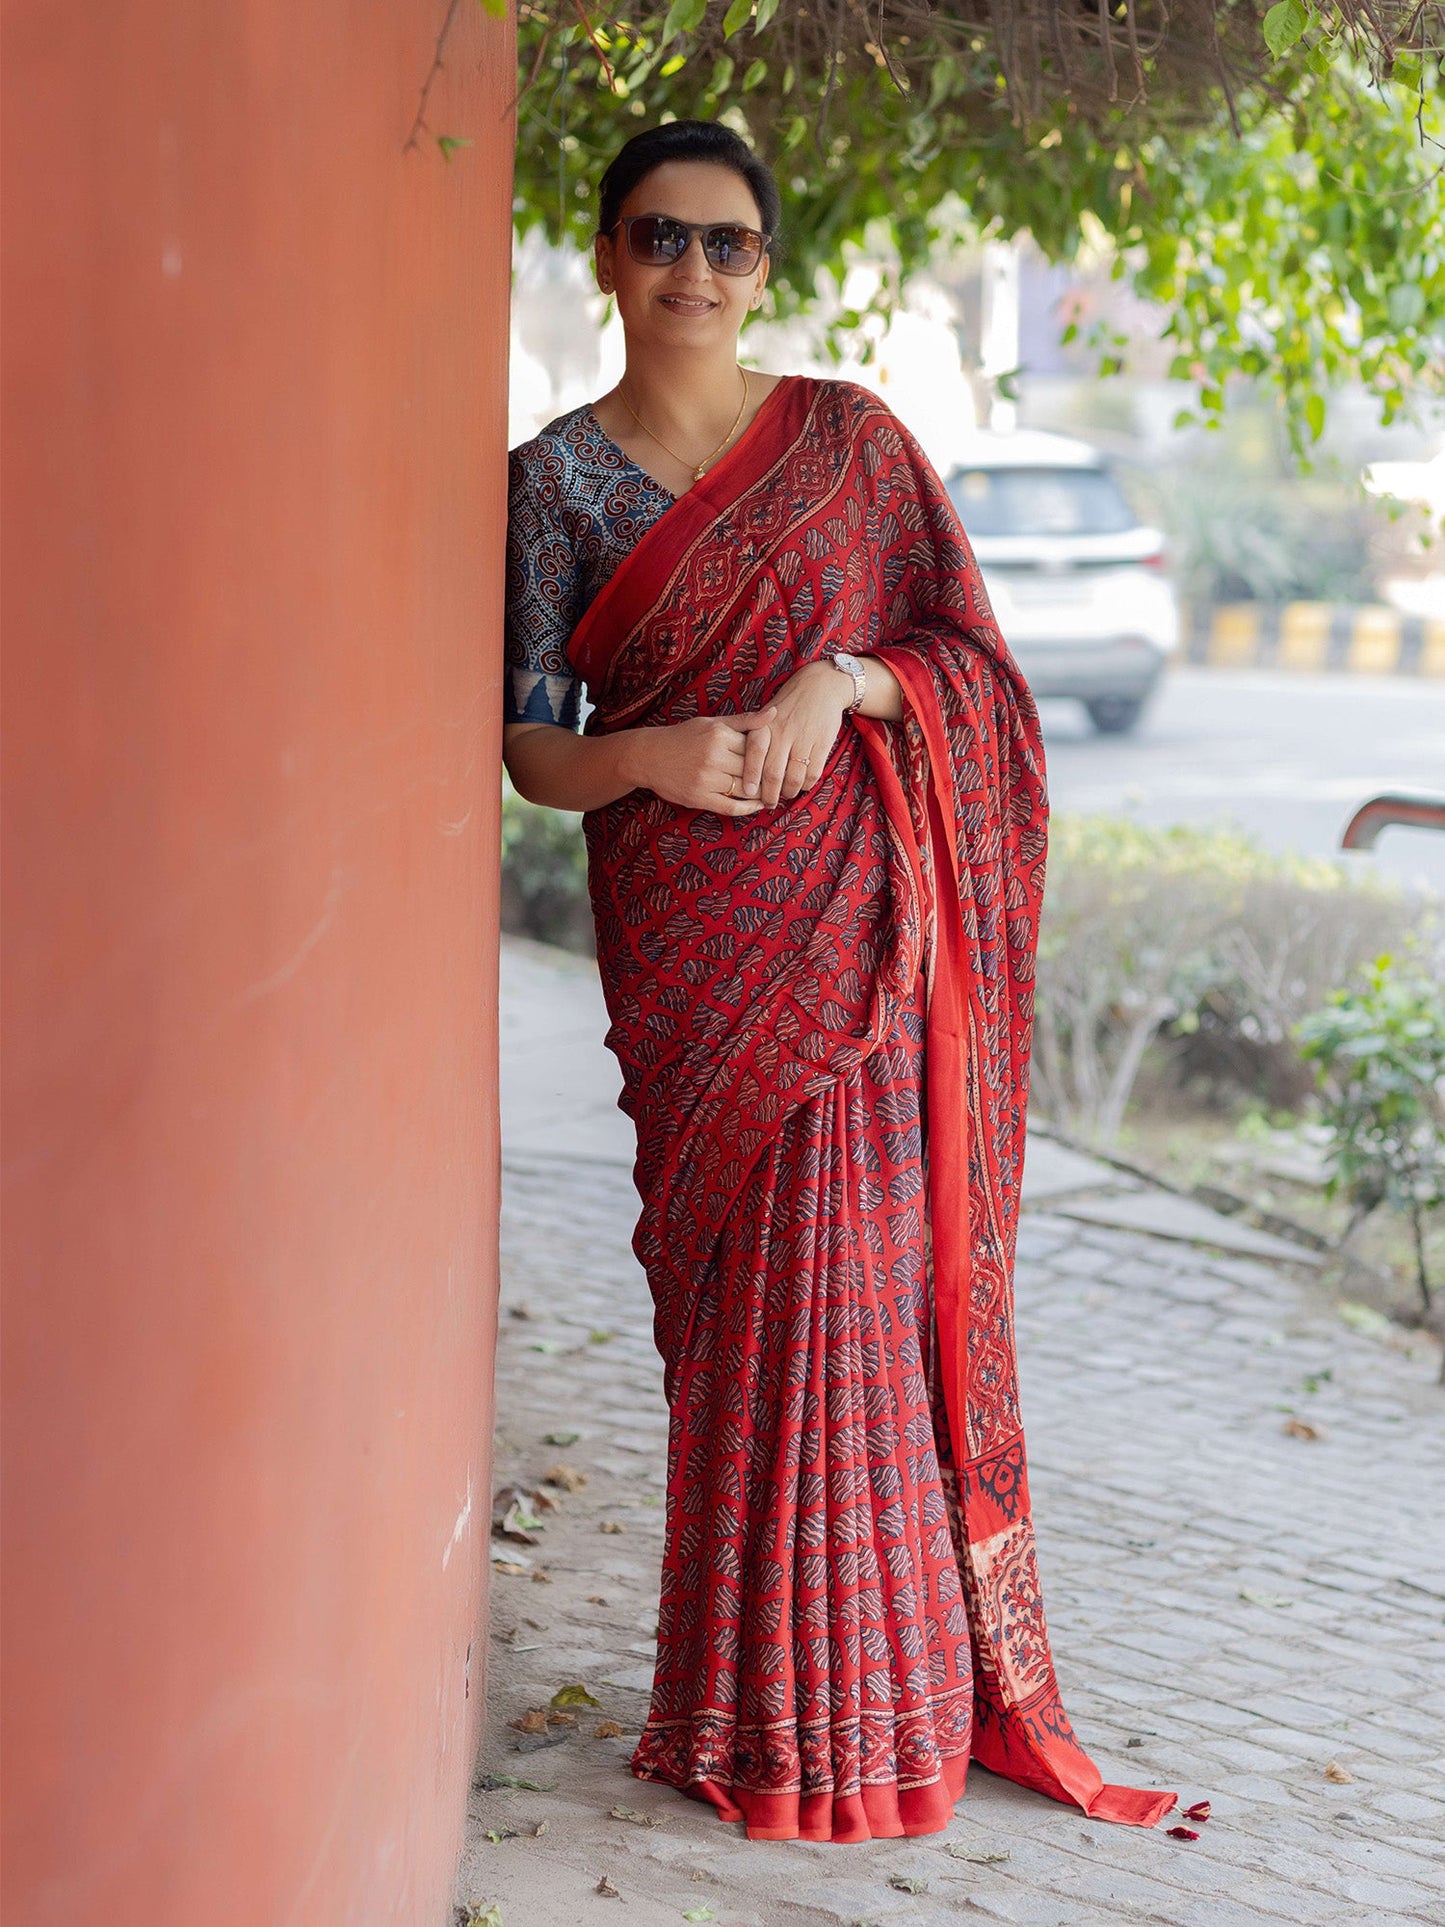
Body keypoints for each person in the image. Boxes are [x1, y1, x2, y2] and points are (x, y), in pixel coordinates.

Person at [502, 119, 1176, 1845]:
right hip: (690, 950)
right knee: (740, 1327)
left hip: (860, 946)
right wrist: (645, 754)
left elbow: (970, 667)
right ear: (605, 255)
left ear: (765, 269)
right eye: (661, 236)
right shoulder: (552, 485)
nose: (695, 271)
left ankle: (877, 1712)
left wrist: (848, 680)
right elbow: (525, 746)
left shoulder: (852, 444)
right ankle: (744, 1703)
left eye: (730, 244)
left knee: (857, 1309)